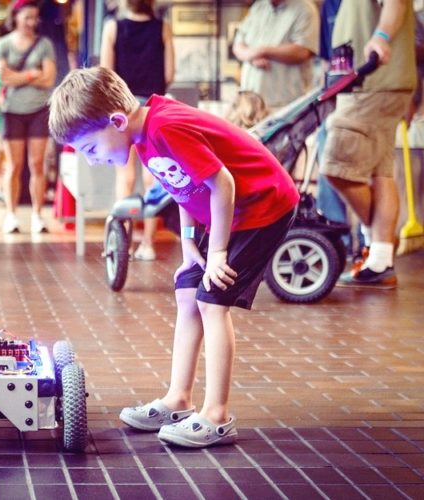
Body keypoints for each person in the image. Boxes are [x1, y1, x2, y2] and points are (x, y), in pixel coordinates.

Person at [49, 67, 299, 448]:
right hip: (224, 210)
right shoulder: (143, 136)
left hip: (262, 205)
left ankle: (217, 416)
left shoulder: (165, 128)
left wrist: (215, 253)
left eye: (91, 149)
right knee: (187, 292)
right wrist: (189, 246)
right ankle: (178, 400)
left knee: (212, 299)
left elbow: (223, 182)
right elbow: (182, 186)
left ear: (116, 120)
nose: (93, 160)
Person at [321, 0, 416, 287]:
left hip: (374, 80)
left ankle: (378, 239)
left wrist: (381, 36)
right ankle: (380, 258)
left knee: (335, 165)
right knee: (380, 172)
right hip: (370, 81)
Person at [100, 0, 175, 260]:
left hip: (123, 108)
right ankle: (148, 245)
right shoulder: (163, 27)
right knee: (154, 174)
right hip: (153, 107)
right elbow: (169, 73)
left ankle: (124, 245)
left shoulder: (112, 27)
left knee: (125, 177)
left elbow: (106, 75)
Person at [0, 0, 57, 234]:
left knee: (37, 164)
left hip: (40, 109)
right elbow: (2, 78)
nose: (31, 22)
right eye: (27, 17)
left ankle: (38, 215)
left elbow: (49, 79)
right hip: (11, 111)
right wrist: (32, 73)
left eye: (34, 18)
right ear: (16, 16)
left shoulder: (44, 44)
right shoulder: (3, 44)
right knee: (13, 165)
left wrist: (16, 76)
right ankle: (11, 214)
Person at [233, 0, 320, 110]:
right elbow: (238, 46)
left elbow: (302, 51)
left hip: (286, 107)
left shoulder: (305, 9)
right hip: (251, 104)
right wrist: (252, 57)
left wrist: (262, 51)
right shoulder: (259, 7)